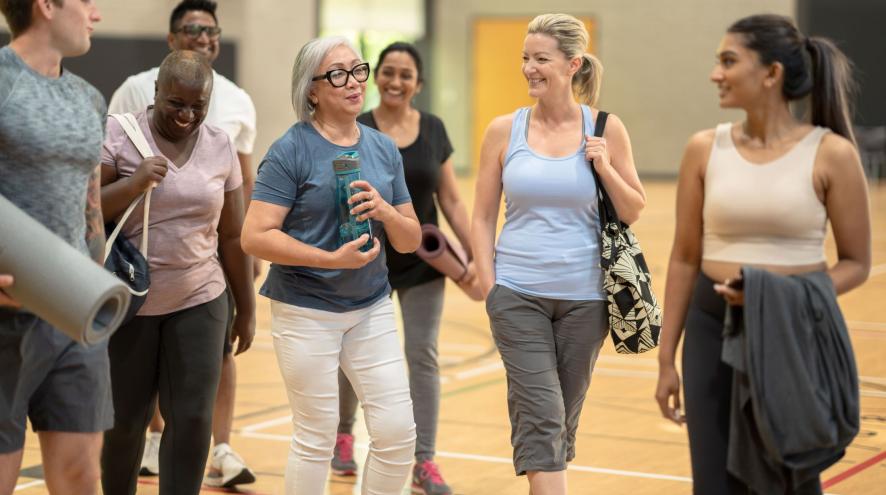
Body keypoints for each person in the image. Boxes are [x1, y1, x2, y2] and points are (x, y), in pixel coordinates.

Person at [654, 14, 871, 495]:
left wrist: (778, 294)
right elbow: (685, 257)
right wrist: (666, 357)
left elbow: (857, 262)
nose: (716, 74)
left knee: (790, 476)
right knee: (713, 482)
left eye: (728, 61)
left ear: (771, 74)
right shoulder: (703, 149)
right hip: (710, 327)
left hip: (794, 329)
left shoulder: (831, 153)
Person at [471, 13, 646, 495]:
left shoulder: (607, 128)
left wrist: (605, 166)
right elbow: (482, 217)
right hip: (517, 295)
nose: (529, 68)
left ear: (572, 65)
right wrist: (492, 291)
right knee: (544, 417)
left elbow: (632, 209)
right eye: (525, 58)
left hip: (586, 303)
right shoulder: (503, 131)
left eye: (540, 59)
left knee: (556, 426)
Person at [241, 36, 421, 495]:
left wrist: (384, 210)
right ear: (313, 91)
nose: (354, 82)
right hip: (306, 310)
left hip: (371, 306)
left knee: (398, 434)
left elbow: (411, 238)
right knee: (316, 438)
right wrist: (328, 259)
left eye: (357, 70)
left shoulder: (383, 149)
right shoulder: (290, 150)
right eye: (337, 74)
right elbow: (255, 236)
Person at [107, 0, 258, 487]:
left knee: (192, 421)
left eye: (199, 105)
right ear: (155, 92)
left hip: (200, 297)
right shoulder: (119, 134)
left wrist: (247, 308)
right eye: (177, 103)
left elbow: (232, 234)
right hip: (130, 299)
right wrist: (131, 185)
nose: (188, 115)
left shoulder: (219, 146)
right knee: (126, 424)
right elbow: (87, 210)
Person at [329, 41, 472, 495]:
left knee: (422, 356)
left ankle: (424, 461)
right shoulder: (358, 127)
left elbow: (450, 198)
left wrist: (476, 257)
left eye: (405, 74)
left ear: (419, 84)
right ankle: (343, 434)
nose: (395, 81)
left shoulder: (433, 128)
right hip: (367, 256)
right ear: (375, 77)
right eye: (387, 71)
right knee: (352, 350)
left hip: (423, 259)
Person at [0, 1, 107, 494]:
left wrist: (98, 278)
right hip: (5, 316)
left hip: (75, 316)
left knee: (82, 475)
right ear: (46, 5)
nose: (96, 14)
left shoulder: (88, 98)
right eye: (86, 1)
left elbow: (89, 203)